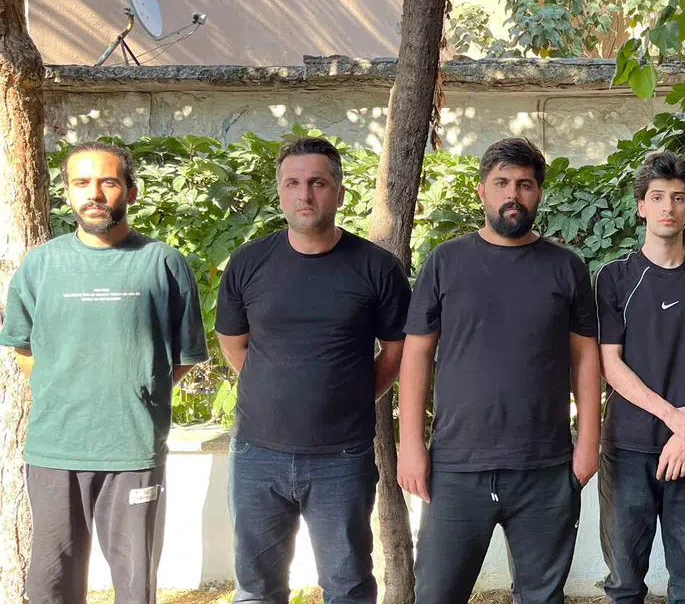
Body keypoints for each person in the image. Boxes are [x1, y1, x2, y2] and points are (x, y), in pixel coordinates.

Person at [0, 141, 208, 604]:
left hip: (133, 450)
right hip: (55, 450)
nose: (93, 194)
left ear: (130, 192)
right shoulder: (41, 265)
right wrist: (65, 389)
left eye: (107, 182)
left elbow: (180, 358)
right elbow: (23, 347)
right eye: (81, 183)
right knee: (51, 584)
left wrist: (135, 391)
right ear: (68, 193)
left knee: (135, 586)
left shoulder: (164, 263)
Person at [397, 137, 601, 604]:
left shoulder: (566, 267)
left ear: (539, 193)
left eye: (525, 184)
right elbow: (416, 355)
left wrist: (589, 443)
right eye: (502, 183)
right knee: (436, 594)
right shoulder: (446, 261)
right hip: (456, 466)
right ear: (482, 192)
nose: (513, 194)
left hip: (545, 468)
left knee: (542, 597)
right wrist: (411, 444)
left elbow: (586, 357)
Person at [216, 136, 411, 604]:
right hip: (256, 454)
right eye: (293, 183)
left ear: (339, 193)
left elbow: (397, 351)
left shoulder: (378, 268)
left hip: (341, 457)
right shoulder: (248, 262)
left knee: (347, 586)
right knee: (257, 588)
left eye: (318, 183)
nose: (305, 194)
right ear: (280, 192)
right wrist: (276, 390)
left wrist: (350, 395)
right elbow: (234, 344)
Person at [594, 152, 685, 604]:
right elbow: (611, 364)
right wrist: (674, 418)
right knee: (624, 581)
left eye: (678, 198)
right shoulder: (614, 277)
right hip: (628, 447)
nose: (667, 207)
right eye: (657, 197)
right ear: (641, 207)